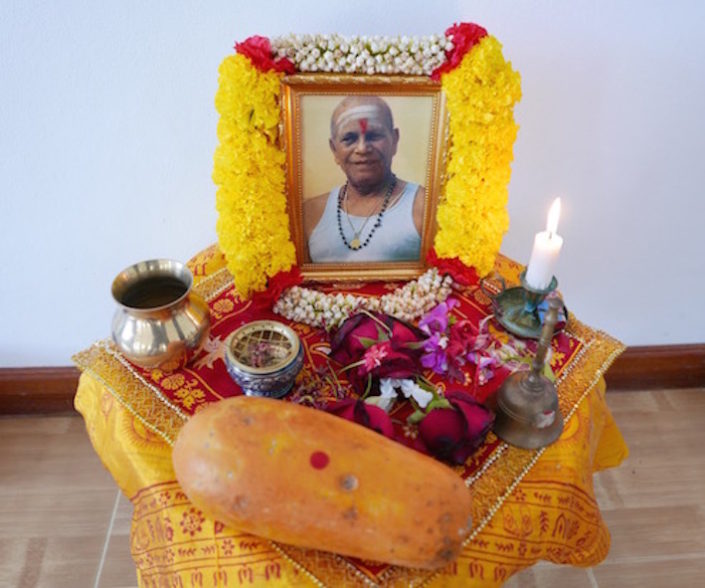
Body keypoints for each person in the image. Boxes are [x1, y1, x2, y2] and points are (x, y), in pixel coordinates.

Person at [304, 96, 425, 263]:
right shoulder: (310, 213)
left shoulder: (424, 207)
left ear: (394, 140)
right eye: (349, 138)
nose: (362, 148)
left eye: (373, 136)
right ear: (334, 149)